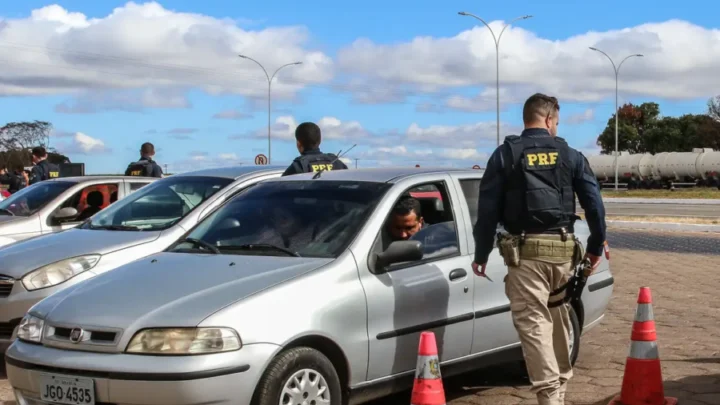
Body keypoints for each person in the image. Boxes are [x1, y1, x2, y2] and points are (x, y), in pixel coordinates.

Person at [470, 93, 607, 405]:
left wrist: (480, 254)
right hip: (563, 251)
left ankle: (549, 397)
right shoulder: (570, 155)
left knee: (534, 323)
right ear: (548, 120)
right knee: (557, 316)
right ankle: (560, 387)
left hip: (525, 253)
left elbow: (487, 212)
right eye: (556, 123)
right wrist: (595, 246)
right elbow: (595, 204)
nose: (556, 129)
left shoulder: (505, 155)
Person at [281, 122, 349, 176]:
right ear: (320, 141)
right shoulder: (337, 164)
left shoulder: (299, 166)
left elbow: (281, 187)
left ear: (299, 143)